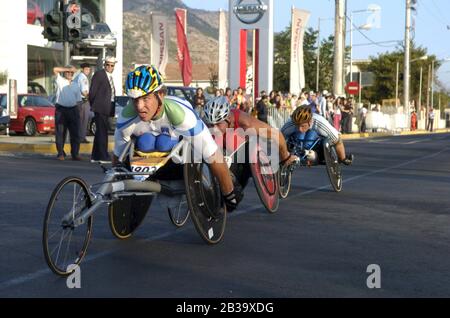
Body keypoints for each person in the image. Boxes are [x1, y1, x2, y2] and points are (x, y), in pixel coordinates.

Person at [113, 65, 243, 212]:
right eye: (134, 100)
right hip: (155, 163)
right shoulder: (126, 118)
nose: (139, 106)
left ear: (160, 94)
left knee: (165, 143)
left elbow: (213, 155)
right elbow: (117, 158)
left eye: (145, 98)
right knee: (146, 141)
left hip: (183, 158)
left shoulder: (183, 117)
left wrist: (229, 193)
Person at [203, 96, 298, 168]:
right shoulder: (207, 128)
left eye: (218, 124)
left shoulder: (245, 122)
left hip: (248, 147)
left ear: (227, 119)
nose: (214, 128)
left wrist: (286, 157)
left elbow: (276, 135)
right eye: (211, 125)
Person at [281, 106, 354, 166]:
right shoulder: (290, 124)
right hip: (296, 142)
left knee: (311, 135)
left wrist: (343, 158)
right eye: (297, 125)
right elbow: (279, 140)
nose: (300, 129)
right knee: (298, 135)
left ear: (310, 122)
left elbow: (338, 140)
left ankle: (317, 155)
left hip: (317, 141)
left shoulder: (320, 123)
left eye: (303, 126)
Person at [89, 56, 117, 163]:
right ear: (104, 65)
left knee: (101, 132)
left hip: (107, 108)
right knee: (102, 133)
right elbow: (92, 92)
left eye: (112, 65)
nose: (109, 67)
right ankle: (103, 156)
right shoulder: (99, 74)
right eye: (107, 65)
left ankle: (95, 156)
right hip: (100, 107)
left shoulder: (110, 77)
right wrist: (95, 105)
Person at [53, 64, 82, 161]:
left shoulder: (76, 85)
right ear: (64, 72)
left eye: (71, 72)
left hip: (73, 110)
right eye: (68, 72)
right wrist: (68, 68)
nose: (69, 74)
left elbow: (78, 101)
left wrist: (79, 112)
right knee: (61, 133)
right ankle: (60, 153)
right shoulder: (60, 80)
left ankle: (75, 154)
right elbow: (55, 69)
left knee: (75, 133)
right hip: (61, 110)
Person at [74, 63, 91, 143]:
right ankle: (81, 137)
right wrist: (91, 98)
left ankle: (78, 137)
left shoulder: (78, 77)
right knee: (84, 120)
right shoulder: (83, 78)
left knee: (80, 120)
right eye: (86, 69)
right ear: (82, 69)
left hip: (78, 101)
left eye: (89, 69)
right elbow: (84, 92)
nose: (88, 71)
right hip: (83, 101)